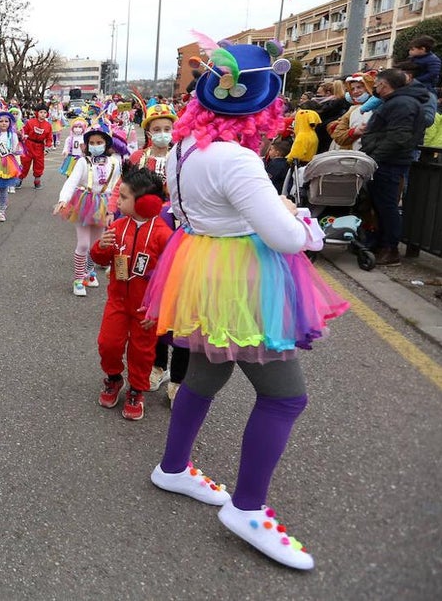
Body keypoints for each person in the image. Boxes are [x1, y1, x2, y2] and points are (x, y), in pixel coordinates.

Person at [143, 41, 348, 571]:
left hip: (202, 269)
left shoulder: (184, 147)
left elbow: (188, 211)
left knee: (205, 377)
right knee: (284, 398)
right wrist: (303, 221)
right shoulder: (236, 158)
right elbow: (283, 237)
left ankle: (173, 466)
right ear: (265, 103)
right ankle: (249, 509)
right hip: (243, 276)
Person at [89, 167, 172, 421]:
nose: (118, 200)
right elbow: (100, 257)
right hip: (117, 300)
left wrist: (158, 308)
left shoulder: (163, 235)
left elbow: (171, 278)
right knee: (108, 343)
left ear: (146, 203)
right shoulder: (117, 225)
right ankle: (114, 377)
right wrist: (100, 247)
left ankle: (137, 388)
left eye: (123, 197)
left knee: (142, 351)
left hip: (145, 308)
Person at [128, 104, 185, 398]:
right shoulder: (138, 158)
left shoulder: (185, 156)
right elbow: (126, 195)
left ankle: (179, 378)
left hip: (183, 235)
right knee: (154, 300)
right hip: (148, 235)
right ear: (148, 131)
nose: (163, 134)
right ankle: (158, 366)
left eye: (167, 128)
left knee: (182, 305)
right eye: (157, 129)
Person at [360, 68, 431, 266]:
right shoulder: (399, 102)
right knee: (380, 205)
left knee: (387, 206)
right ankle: (381, 244)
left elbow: (398, 136)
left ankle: (390, 249)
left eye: (377, 84)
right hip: (385, 160)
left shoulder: (402, 104)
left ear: (384, 84)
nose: (375, 88)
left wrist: (375, 156)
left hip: (388, 162)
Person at [55, 121, 120, 297]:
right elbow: (72, 181)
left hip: (104, 205)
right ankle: (78, 278)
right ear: (87, 145)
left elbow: (116, 186)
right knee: (83, 244)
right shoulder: (83, 162)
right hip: (83, 203)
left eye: (99, 143)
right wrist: (63, 199)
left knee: (96, 245)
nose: (96, 146)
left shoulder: (114, 162)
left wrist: (115, 207)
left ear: (107, 144)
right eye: (92, 143)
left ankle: (89, 273)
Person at [327, 72, 375, 151]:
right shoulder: (353, 109)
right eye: (352, 89)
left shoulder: (379, 107)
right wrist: (353, 132)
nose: (355, 91)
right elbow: (338, 135)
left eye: (359, 87)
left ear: (368, 88)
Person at [19, 105, 53, 189]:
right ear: (37, 113)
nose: (43, 114)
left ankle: (37, 181)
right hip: (29, 145)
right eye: (41, 112)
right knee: (25, 162)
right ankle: (19, 179)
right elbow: (24, 131)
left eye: (45, 112)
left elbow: (49, 138)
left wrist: (48, 147)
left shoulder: (48, 125)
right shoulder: (30, 122)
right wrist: (22, 137)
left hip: (39, 147)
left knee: (39, 164)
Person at [312, 80, 349, 155]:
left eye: (319, 93)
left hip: (325, 144)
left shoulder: (329, 108)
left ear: (328, 93)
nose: (316, 96)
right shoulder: (327, 107)